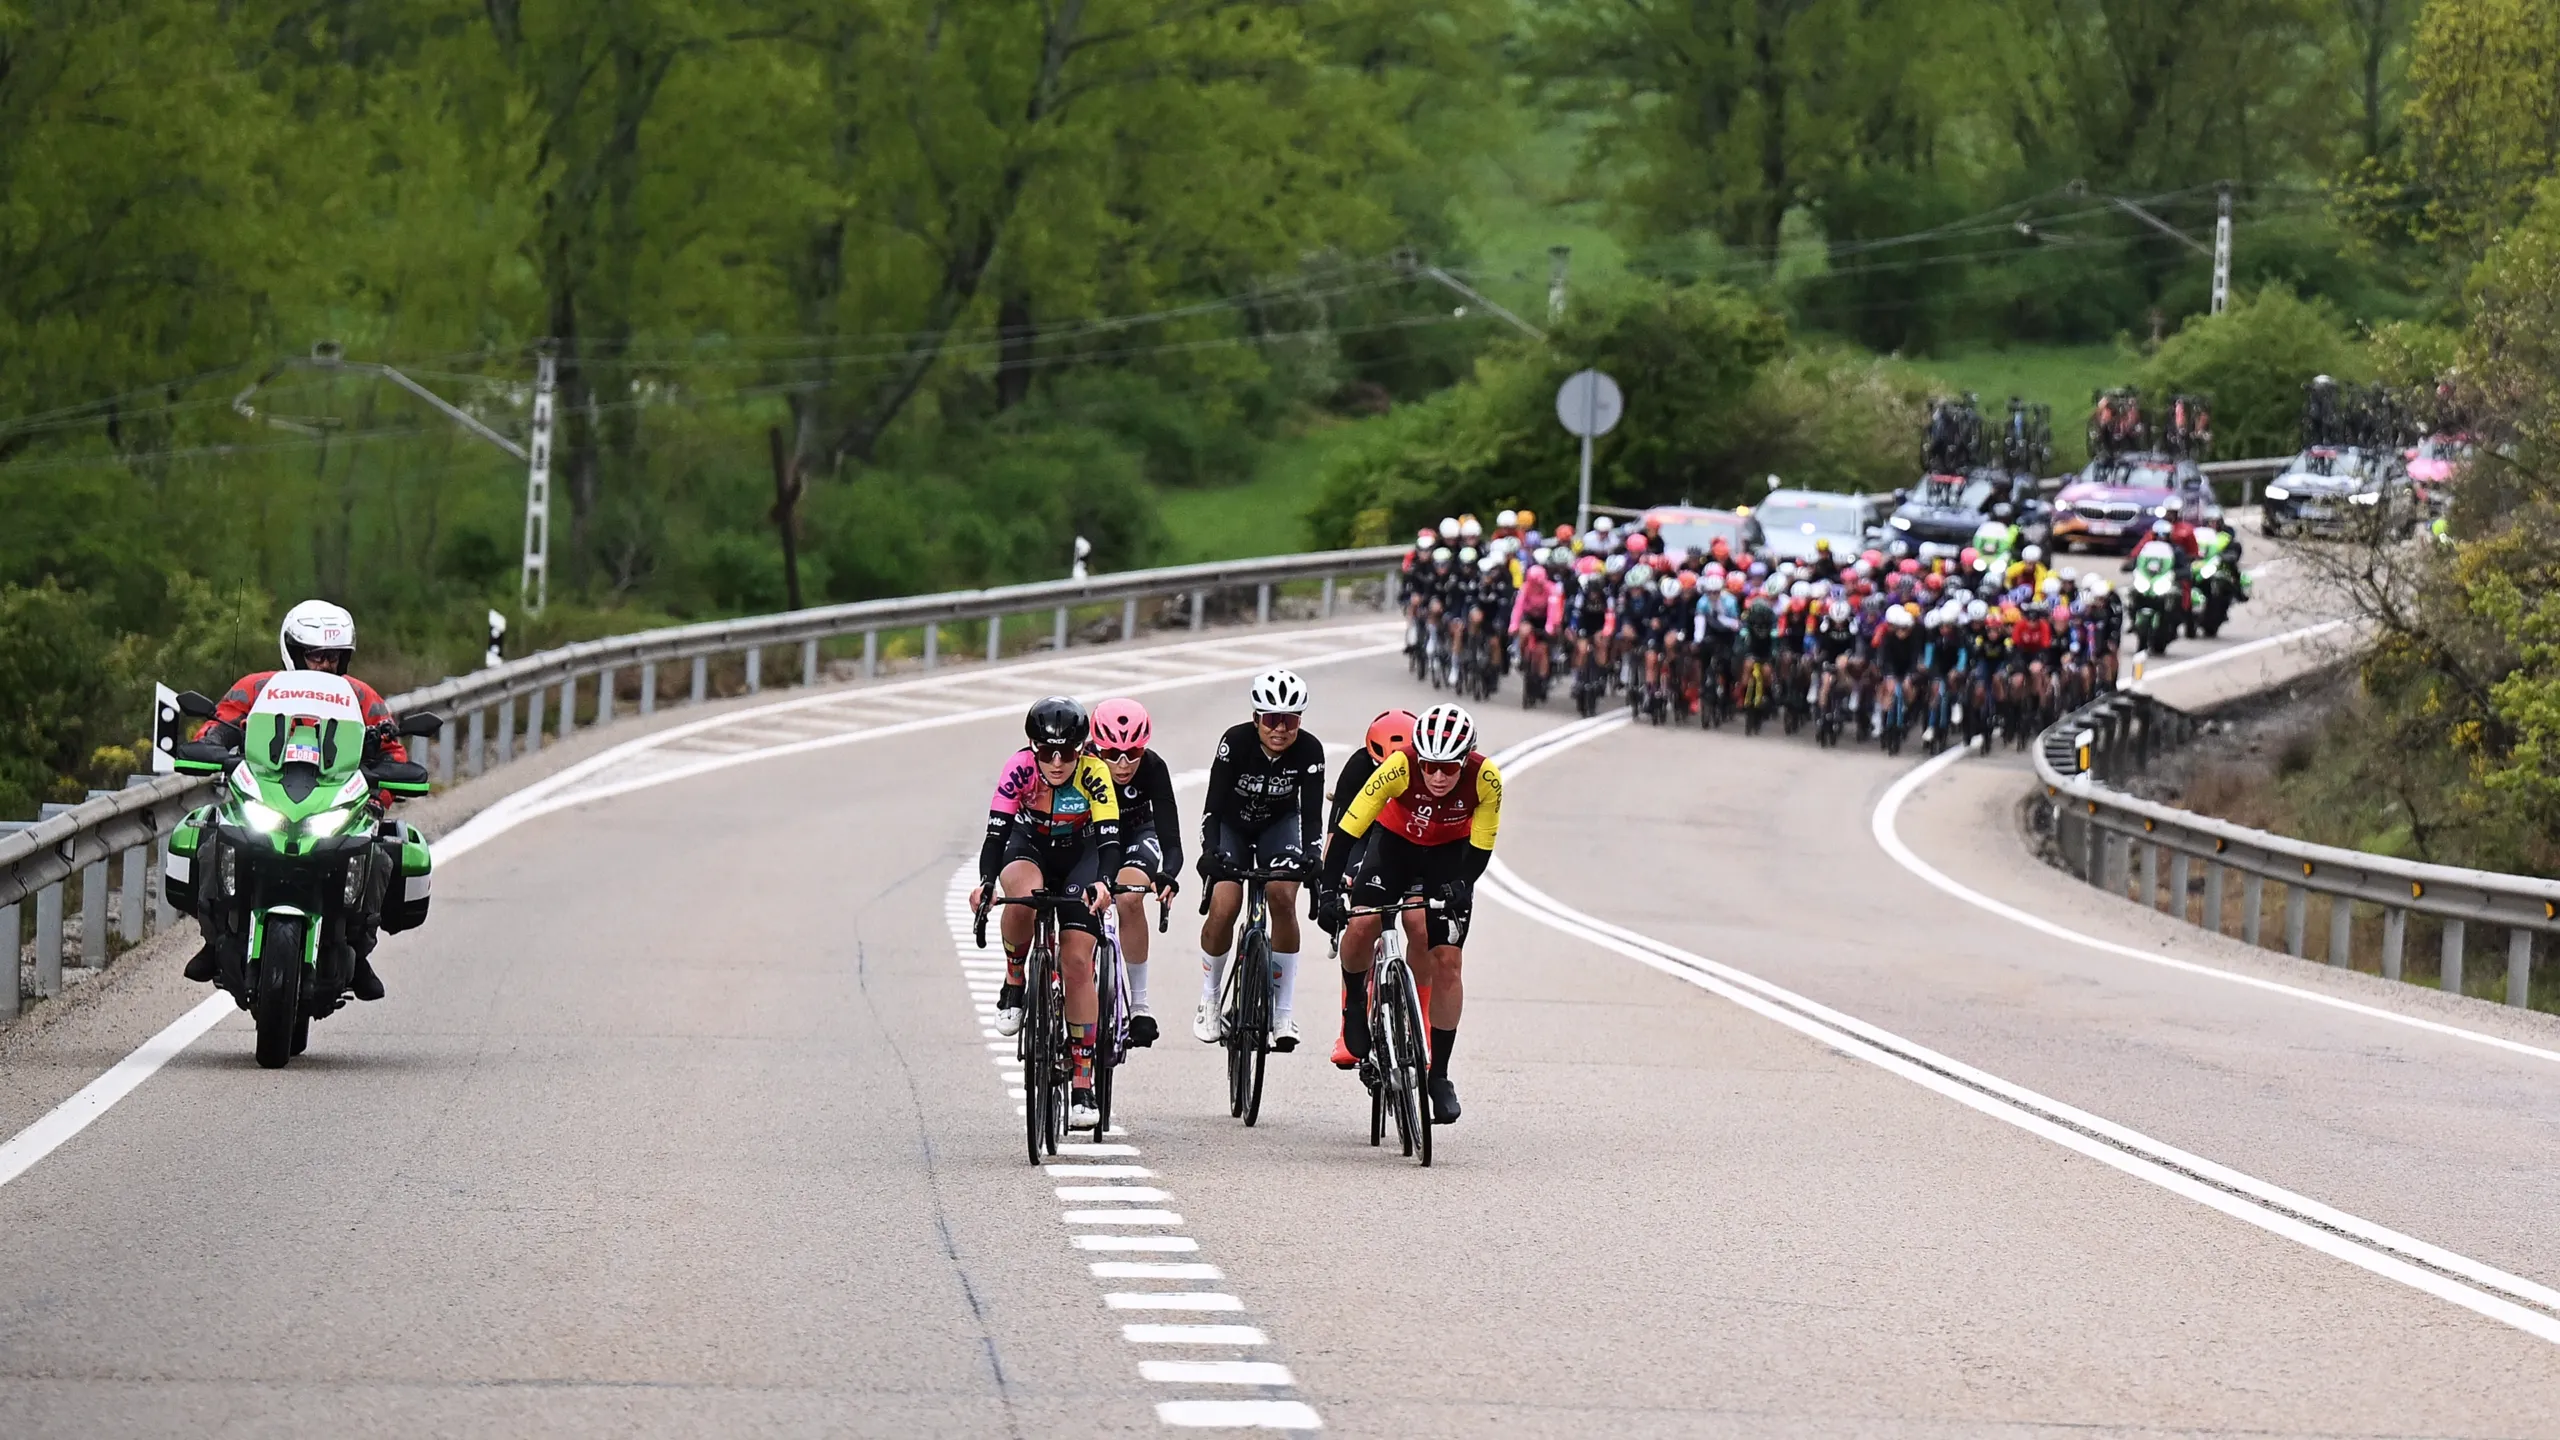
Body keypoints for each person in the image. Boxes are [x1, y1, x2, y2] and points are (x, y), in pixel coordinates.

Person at [182, 600, 409, 1001]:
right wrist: (214, 747)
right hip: (265, 796)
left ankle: (359, 947)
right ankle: (213, 936)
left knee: (381, 855)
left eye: (333, 657)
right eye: (315, 655)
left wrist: (381, 795)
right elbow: (215, 727)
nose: (323, 665)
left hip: (333, 802)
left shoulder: (361, 696)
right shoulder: (256, 686)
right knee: (209, 839)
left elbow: (393, 752)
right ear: (293, 650)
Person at [1317, 703, 1497, 1124]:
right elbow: (1349, 829)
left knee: (1448, 960)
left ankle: (1440, 1075)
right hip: (1393, 848)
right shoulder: (1398, 767)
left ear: (1466, 758)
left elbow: (1482, 846)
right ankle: (1354, 1005)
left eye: (1448, 768)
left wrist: (1461, 884)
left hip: (1449, 857)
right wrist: (1327, 891)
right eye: (1430, 766)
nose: (1437, 776)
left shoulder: (1486, 778)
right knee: (1362, 924)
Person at [973, 697, 1122, 1131]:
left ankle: (1082, 1081)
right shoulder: (1017, 769)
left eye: (1068, 753)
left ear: (1082, 749)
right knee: (1023, 896)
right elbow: (995, 835)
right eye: (1046, 753)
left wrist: (1105, 883)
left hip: (1081, 854)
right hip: (1029, 845)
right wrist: (986, 883)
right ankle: (1016, 980)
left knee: (1077, 961)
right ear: (1032, 747)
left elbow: (1111, 840)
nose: (1057, 763)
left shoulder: (1095, 773)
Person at [1195, 669, 1325, 1050]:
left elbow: (1313, 815)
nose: (1280, 729)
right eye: (1272, 720)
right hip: (1232, 827)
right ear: (1256, 719)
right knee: (1225, 904)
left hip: (1278, 827)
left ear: (1299, 722)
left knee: (1283, 897)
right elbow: (1212, 808)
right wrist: (1209, 854)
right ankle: (1210, 998)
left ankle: (1283, 1012)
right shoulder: (1235, 742)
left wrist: (1314, 857)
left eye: (1290, 721)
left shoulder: (1310, 750)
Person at [1088, 699, 1180, 1047]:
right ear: (1096, 747)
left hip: (1137, 836)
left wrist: (1168, 874)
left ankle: (1139, 1004)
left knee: (1128, 897)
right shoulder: (1080, 765)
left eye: (1133, 752)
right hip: (1091, 838)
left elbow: (1171, 837)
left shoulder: (1154, 767)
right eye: (1111, 754)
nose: (1123, 763)